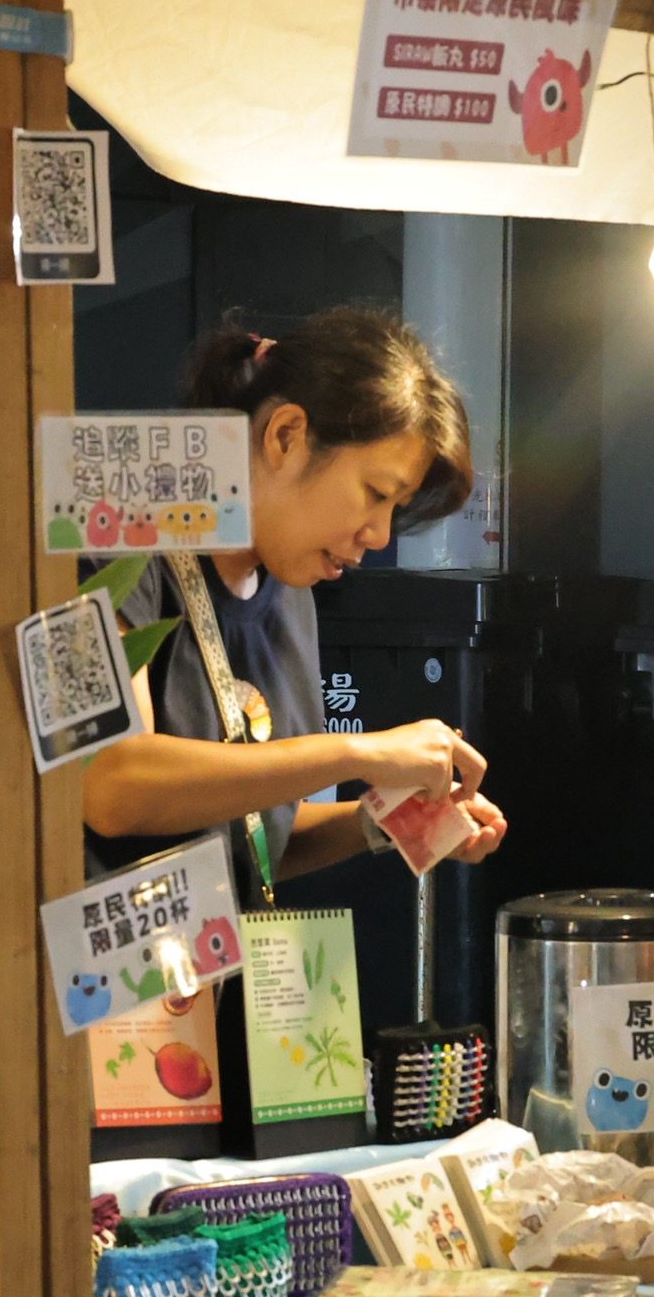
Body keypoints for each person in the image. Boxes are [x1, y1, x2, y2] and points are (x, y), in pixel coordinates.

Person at [82, 308, 508, 900]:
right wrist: (359, 751)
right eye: (375, 494)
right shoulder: (114, 540)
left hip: (211, 986)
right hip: (93, 983)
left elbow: (257, 839)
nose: (380, 535)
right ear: (286, 435)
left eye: (395, 508)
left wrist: (387, 818)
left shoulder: (291, 592)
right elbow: (109, 787)